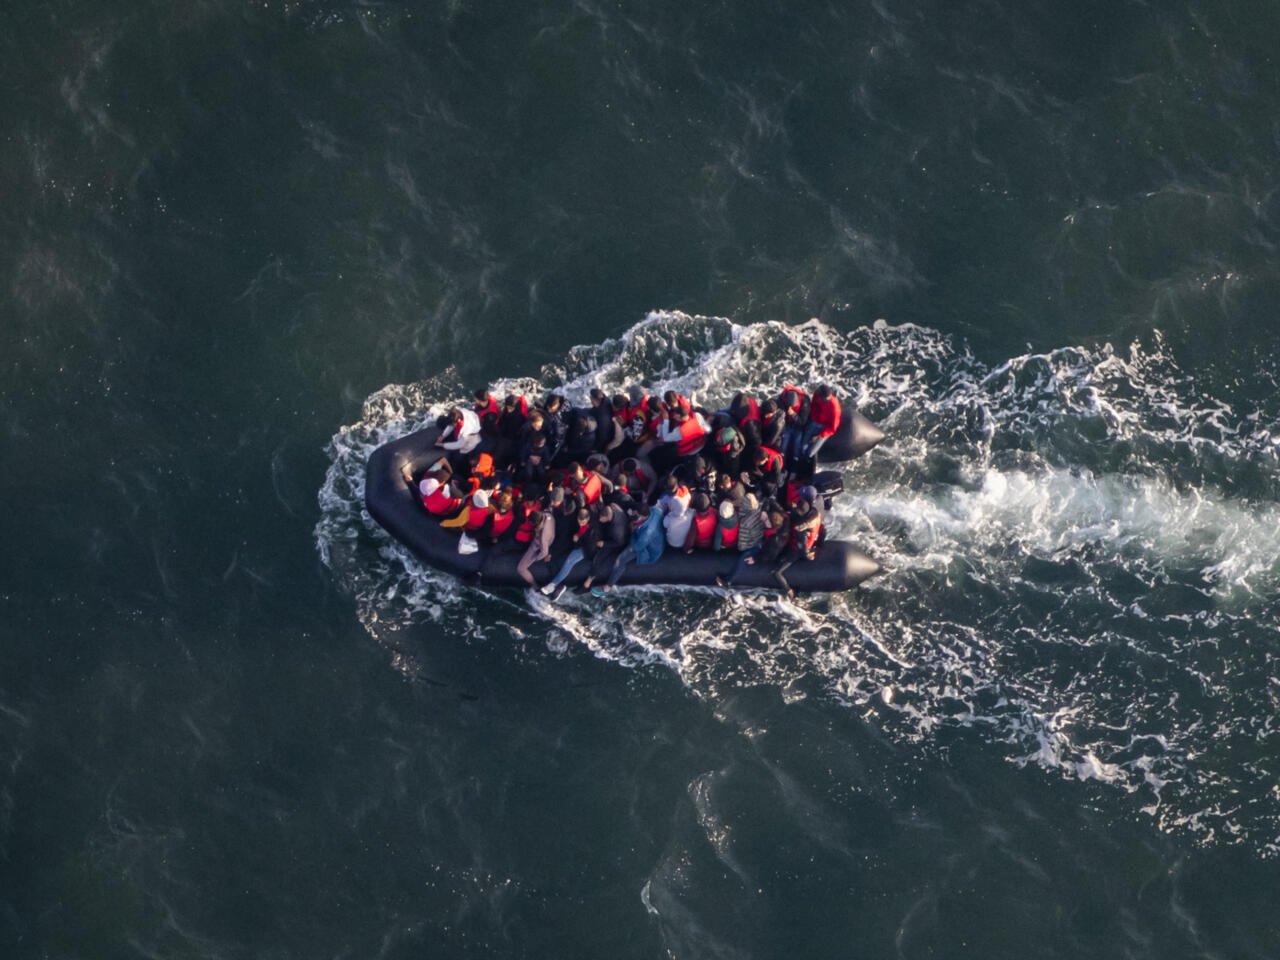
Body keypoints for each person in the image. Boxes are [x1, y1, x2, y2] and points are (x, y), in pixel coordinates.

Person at [772, 496, 822, 598]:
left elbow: (802, 550)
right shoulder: (816, 516)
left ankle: (789, 591)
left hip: (797, 551)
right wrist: (819, 544)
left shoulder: (801, 531)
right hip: (811, 543)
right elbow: (823, 530)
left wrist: (807, 556)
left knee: (776, 573)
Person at [516, 510, 554, 587]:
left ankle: (534, 585)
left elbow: (544, 552)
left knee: (521, 568)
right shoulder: (547, 515)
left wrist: (536, 558)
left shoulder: (543, 537)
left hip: (539, 544)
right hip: (550, 535)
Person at [806, 385, 842, 462]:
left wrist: (819, 436)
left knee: (810, 452)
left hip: (826, 427)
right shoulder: (817, 394)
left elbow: (832, 429)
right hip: (816, 420)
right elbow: (814, 406)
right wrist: (814, 418)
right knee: (804, 443)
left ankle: (808, 460)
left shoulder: (835, 408)